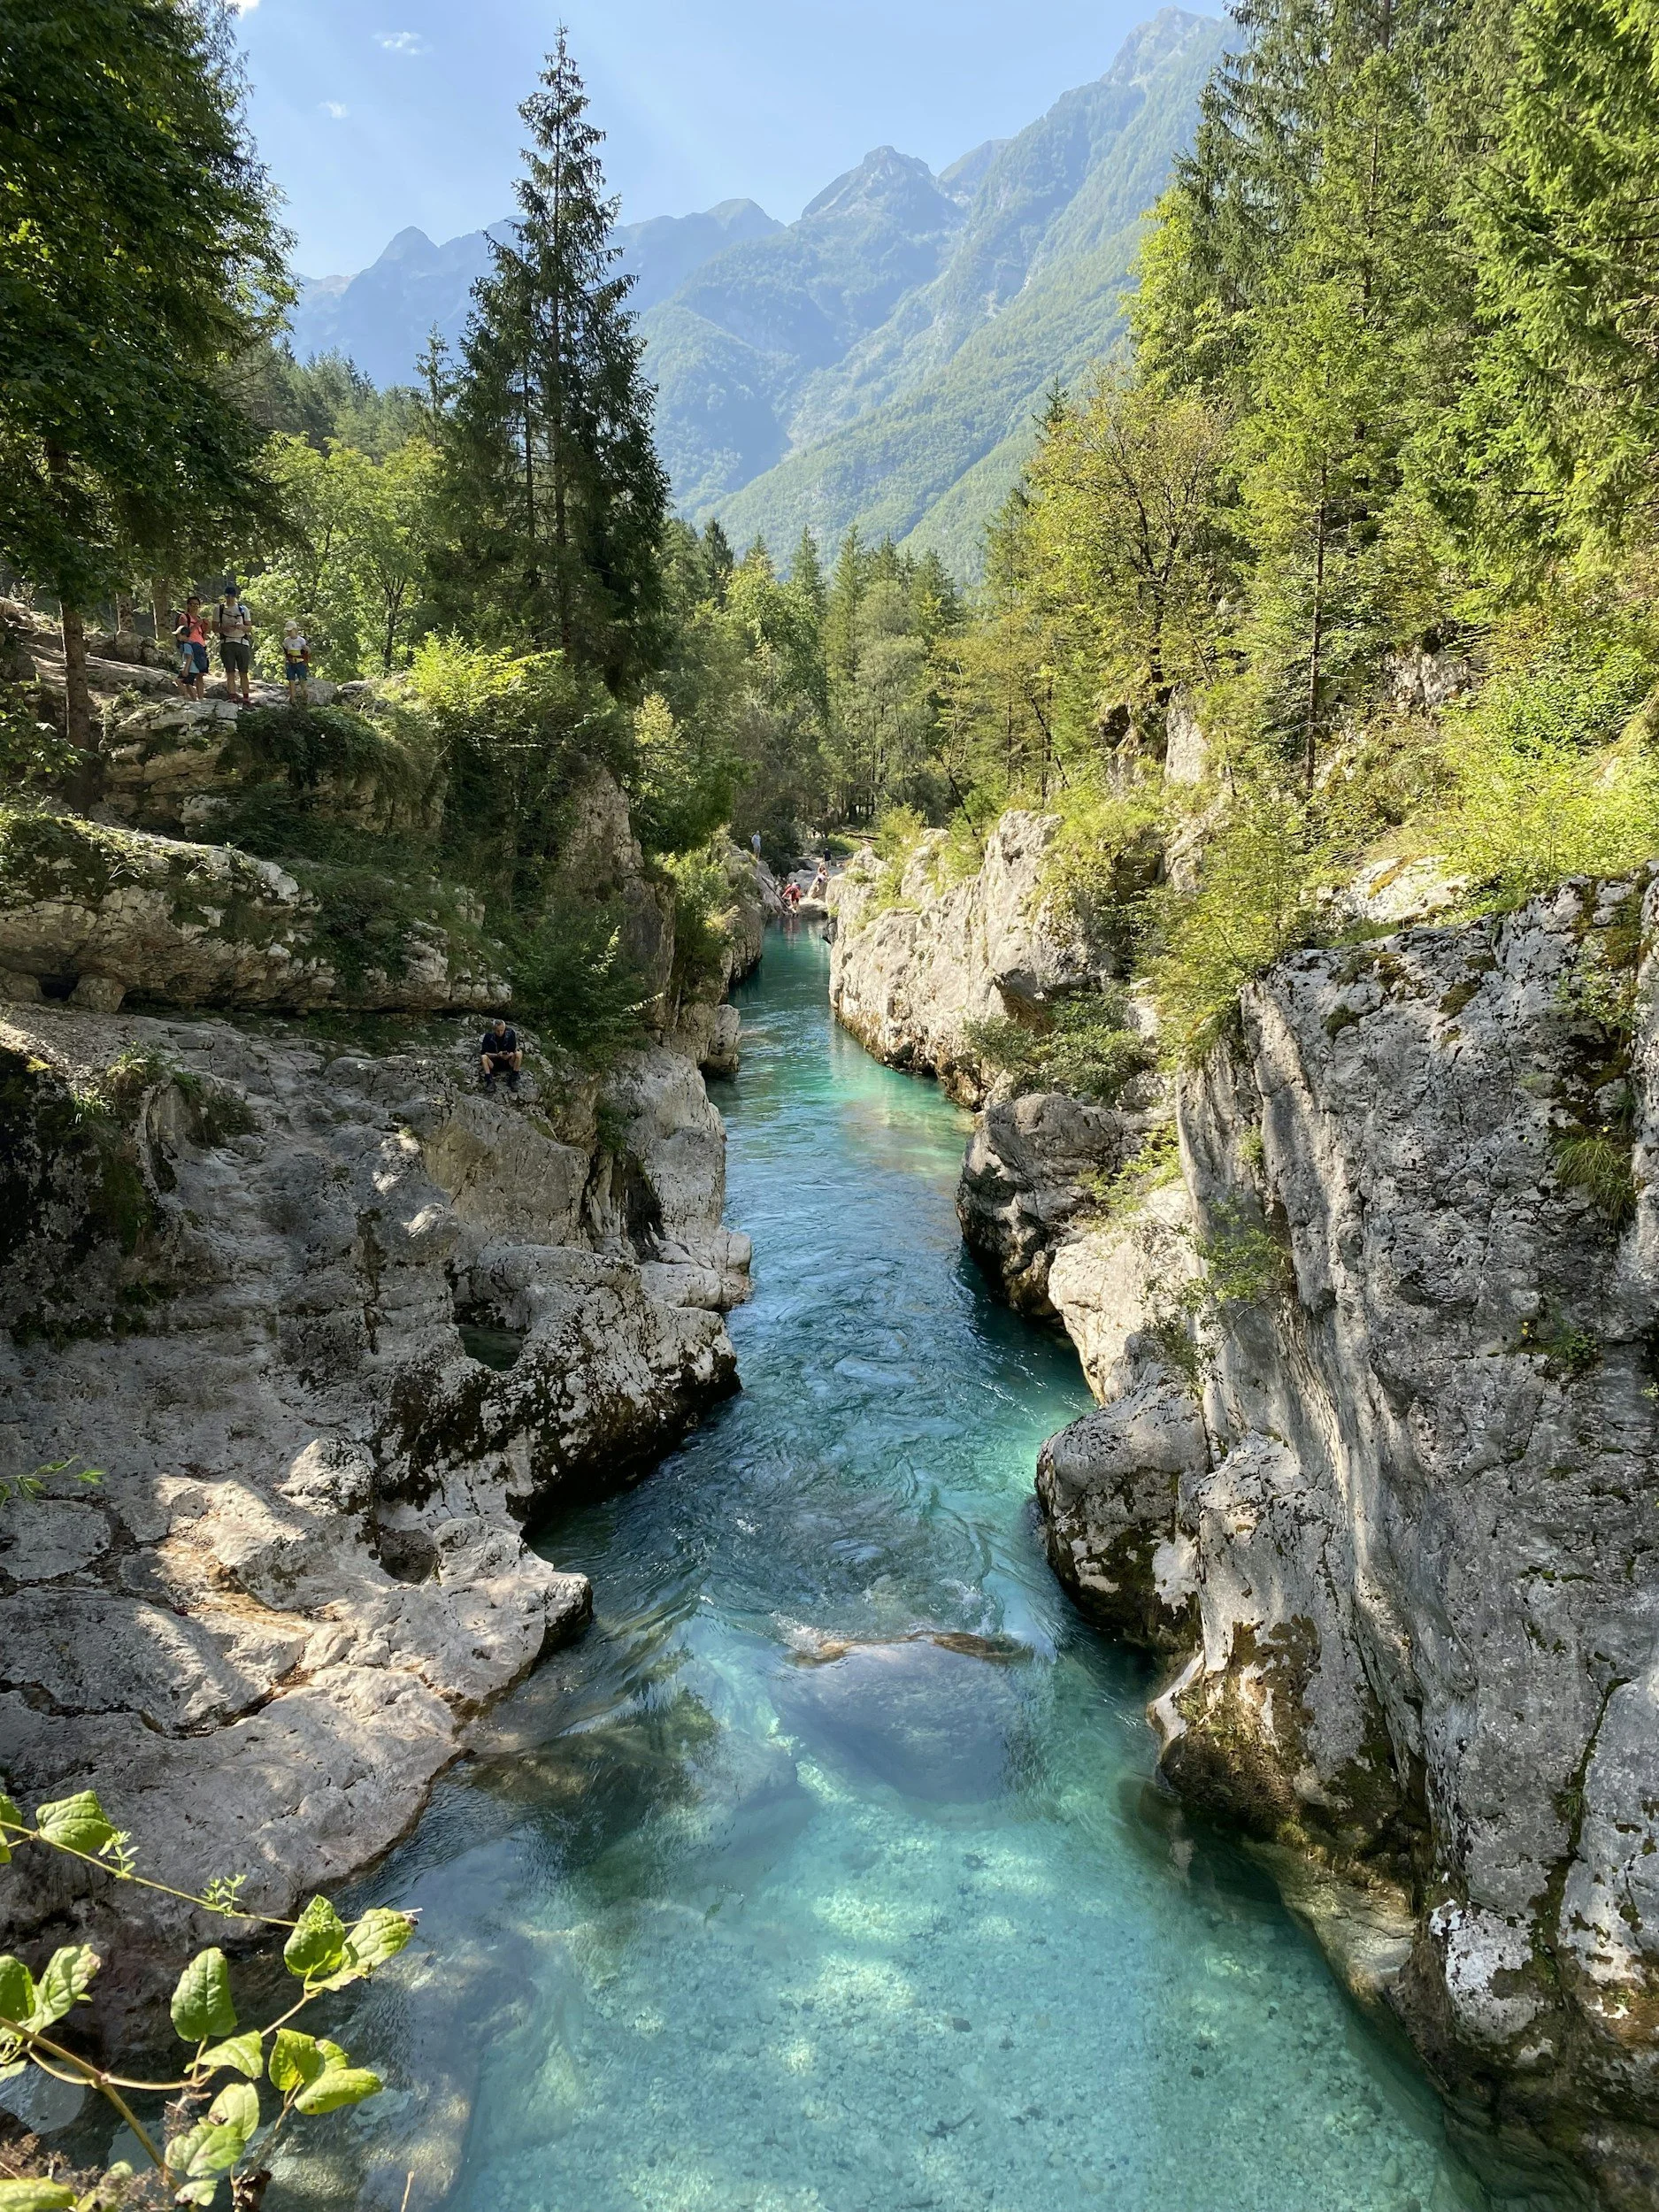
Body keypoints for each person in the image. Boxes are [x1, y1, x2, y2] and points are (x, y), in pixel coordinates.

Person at [216, 581, 255, 705]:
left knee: (243, 671)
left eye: (232, 596)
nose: (230, 598)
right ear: (225, 596)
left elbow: (249, 628)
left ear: (235, 596)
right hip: (227, 642)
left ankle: (246, 698)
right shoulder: (219, 609)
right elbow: (215, 627)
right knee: (230, 671)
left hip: (242, 642)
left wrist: (241, 627)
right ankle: (232, 696)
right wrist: (225, 629)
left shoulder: (243, 609)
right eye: (227, 596)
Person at [173, 597, 209, 701]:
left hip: (200, 647)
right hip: (190, 645)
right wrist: (197, 624)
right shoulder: (184, 617)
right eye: (192, 604)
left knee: (200, 674)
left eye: (197, 605)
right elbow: (186, 631)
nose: (195, 607)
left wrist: (206, 626)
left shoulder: (199, 618)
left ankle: (201, 698)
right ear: (188, 605)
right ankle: (192, 697)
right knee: (190, 675)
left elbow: (204, 634)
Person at [479, 1018, 522, 1094]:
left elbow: (513, 1050)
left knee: (519, 1054)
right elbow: (484, 1052)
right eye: (497, 1030)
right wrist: (497, 1055)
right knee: (483, 1058)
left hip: (508, 1061)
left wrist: (508, 1055)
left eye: (502, 1030)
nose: (500, 1032)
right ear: (494, 1029)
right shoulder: (488, 1036)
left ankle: (514, 1079)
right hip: (494, 1062)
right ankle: (489, 1081)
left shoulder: (510, 1033)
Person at [281, 619, 311, 704]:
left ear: (295, 630)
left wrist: (306, 651)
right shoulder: (286, 641)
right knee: (291, 680)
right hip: (290, 663)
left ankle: (305, 695)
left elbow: (307, 651)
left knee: (302, 680)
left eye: (290, 631)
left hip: (300, 663)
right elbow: (286, 652)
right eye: (288, 631)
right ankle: (293, 698)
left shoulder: (301, 640)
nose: (289, 633)